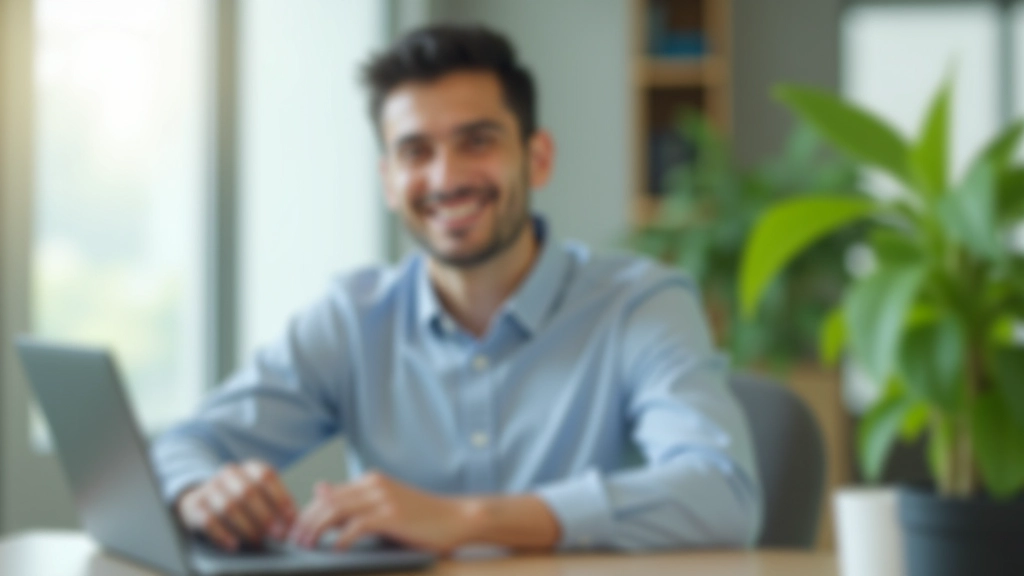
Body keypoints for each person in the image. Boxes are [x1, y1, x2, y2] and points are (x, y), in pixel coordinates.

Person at [152, 24, 762, 555]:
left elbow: (722, 492)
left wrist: (466, 520)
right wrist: (201, 491)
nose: (446, 178)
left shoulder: (640, 304)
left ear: (538, 157)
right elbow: (182, 445)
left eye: (478, 141)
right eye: (416, 152)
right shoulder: (351, 318)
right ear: (389, 181)